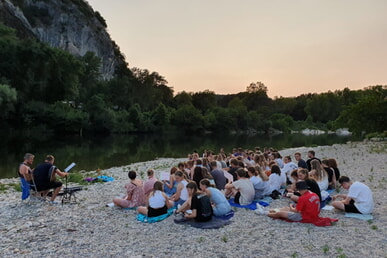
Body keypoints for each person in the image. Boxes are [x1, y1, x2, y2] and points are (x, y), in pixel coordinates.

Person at [256, 181, 321, 224]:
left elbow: (296, 211)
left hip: (305, 216)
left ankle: (264, 213)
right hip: (312, 213)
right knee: (286, 208)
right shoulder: (313, 194)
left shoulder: (303, 198)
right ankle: (268, 210)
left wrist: (291, 206)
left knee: (280, 213)